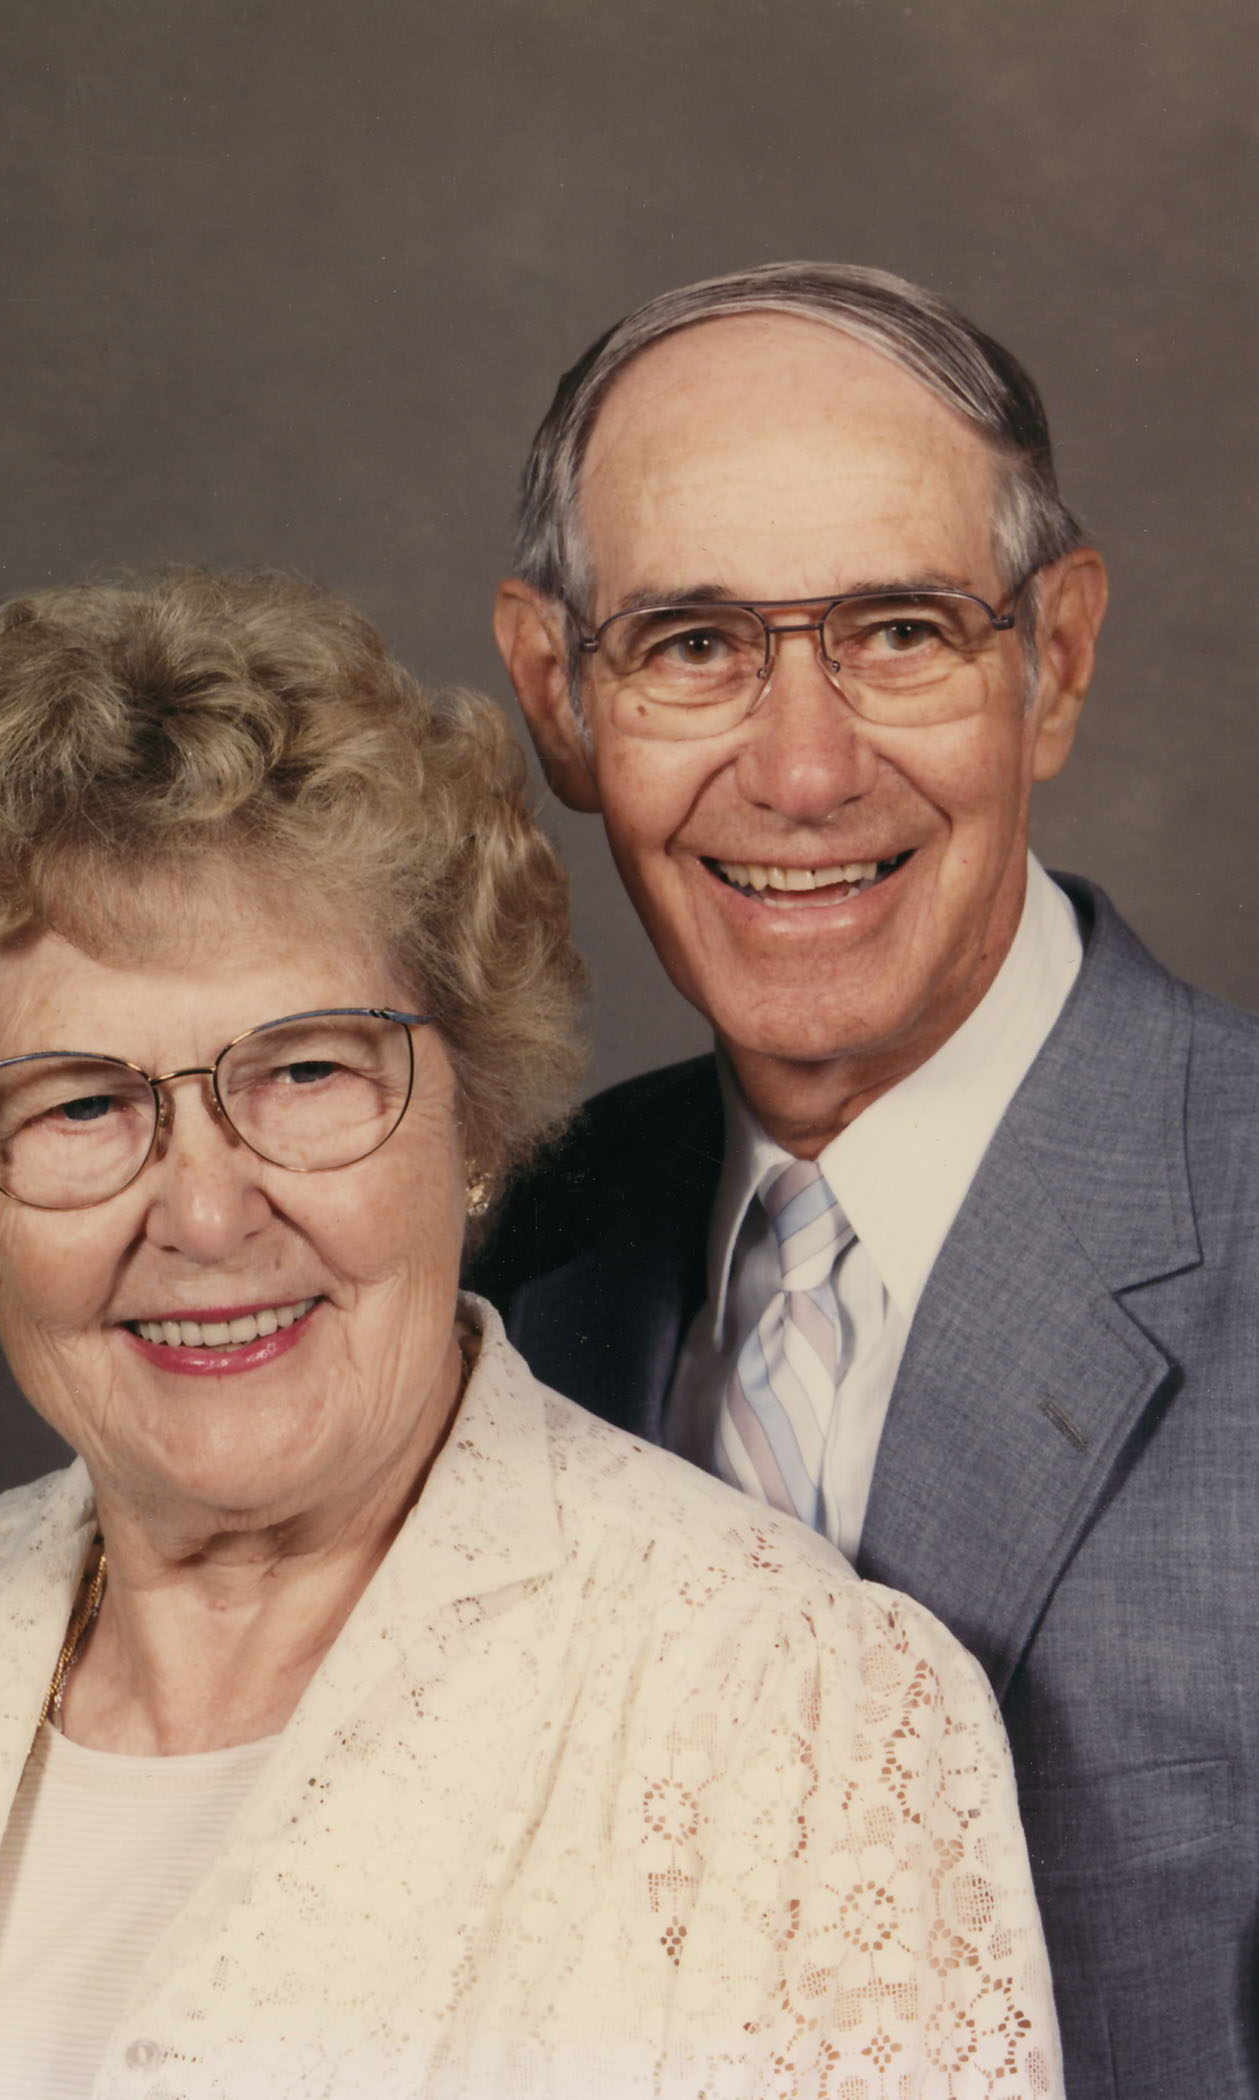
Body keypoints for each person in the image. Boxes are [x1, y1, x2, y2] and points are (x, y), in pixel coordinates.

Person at [0, 569, 1059, 2097]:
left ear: (477, 1124)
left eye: (308, 1073)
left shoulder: (803, 1714)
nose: (205, 1213)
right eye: (80, 1103)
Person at [477, 263, 1259, 2100]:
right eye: (693, 645)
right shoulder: (507, 1260)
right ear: (558, 699)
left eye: (900, 630)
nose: (806, 771)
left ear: (1056, 660)